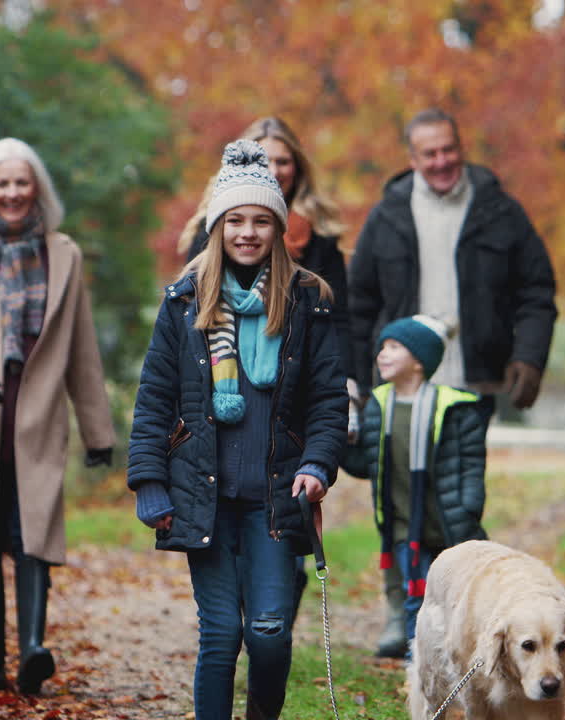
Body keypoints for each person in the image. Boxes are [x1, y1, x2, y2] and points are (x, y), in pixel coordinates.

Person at [127, 139, 347, 720]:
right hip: (206, 497)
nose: (248, 232)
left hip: (276, 497)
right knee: (221, 633)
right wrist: (150, 482)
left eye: (261, 221)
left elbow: (328, 400)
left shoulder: (308, 301)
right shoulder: (184, 302)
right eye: (235, 220)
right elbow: (154, 397)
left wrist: (317, 465)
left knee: (270, 632)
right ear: (217, 226)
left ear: (278, 227)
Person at [347, 107, 558, 657]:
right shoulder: (388, 215)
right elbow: (359, 303)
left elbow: (537, 290)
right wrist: (359, 381)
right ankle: (400, 611)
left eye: (448, 149)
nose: (441, 162)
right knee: (397, 504)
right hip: (402, 392)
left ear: (461, 147)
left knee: (459, 506)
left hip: (469, 387)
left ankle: (463, 613)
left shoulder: (498, 210)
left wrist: (529, 358)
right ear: (412, 158)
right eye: (429, 153)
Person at [0, 137, 116, 694]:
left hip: (37, 414)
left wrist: (97, 431)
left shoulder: (65, 253)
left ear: (38, 189)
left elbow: (81, 347)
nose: (12, 193)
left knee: (33, 529)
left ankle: (33, 649)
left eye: (21, 182)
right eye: (2, 184)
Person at [179, 116, 352, 615]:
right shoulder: (212, 235)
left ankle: (273, 608)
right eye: (265, 159)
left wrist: (348, 382)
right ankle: (246, 608)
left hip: (290, 394)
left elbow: (339, 320)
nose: (274, 169)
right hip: (228, 393)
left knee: (280, 521)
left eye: (283, 161)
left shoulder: (319, 244)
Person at [341, 314, 489, 654]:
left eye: (394, 347)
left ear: (419, 361)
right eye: (382, 347)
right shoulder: (378, 406)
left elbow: (472, 464)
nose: (382, 354)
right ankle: (418, 664)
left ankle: (458, 660)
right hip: (405, 528)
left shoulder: (454, 408)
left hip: (450, 525)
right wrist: (342, 440)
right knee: (416, 598)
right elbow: (367, 464)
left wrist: (469, 508)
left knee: (455, 600)